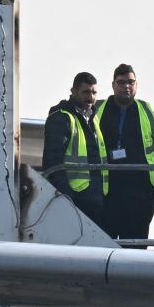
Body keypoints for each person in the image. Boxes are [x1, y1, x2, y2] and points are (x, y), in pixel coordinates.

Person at [95, 62, 154, 243]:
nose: (126, 86)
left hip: (140, 194)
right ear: (113, 85)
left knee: (135, 248)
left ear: (136, 85)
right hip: (108, 193)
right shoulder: (98, 110)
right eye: (121, 82)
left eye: (130, 82)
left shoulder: (147, 111)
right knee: (103, 246)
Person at [39, 72, 110, 230]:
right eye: (86, 92)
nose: (90, 97)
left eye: (94, 92)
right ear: (73, 91)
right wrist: (66, 195)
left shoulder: (94, 118)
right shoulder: (61, 118)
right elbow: (52, 160)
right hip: (75, 197)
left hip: (96, 196)